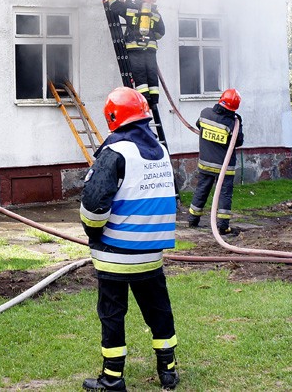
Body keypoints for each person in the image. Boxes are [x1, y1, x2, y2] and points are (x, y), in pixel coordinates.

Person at [79, 87, 179, 391]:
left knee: (112, 313)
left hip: (116, 254)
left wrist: (93, 232)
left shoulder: (115, 152)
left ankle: (112, 378)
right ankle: (169, 370)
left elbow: (94, 204)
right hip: (152, 253)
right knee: (158, 310)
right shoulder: (161, 150)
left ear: (112, 117)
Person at [187, 88, 244, 235]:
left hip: (205, 163)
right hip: (225, 167)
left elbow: (198, 125)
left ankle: (192, 219)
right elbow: (239, 141)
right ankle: (223, 226)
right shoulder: (232, 123)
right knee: (224, 195)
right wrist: (238, 122)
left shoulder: (205, 114)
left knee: (201, 190)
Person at [107, 0, 165, 107]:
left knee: (139, 74)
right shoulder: (155, 14)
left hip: (134, 48)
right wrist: (150, 35)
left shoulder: (131, 8)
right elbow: (161, 33)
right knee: (151, 73)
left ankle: (144, 100)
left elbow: (115, 7)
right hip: (150, 49)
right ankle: (154, 99)